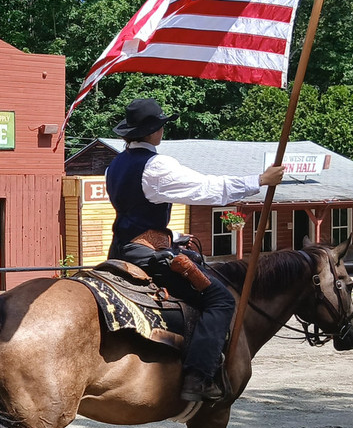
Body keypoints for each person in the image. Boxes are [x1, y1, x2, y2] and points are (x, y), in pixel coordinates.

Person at [105, 98, 284, 404]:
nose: (162, 131)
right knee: (220, 299)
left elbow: (133, 214)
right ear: (153, 132)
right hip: (145, 255)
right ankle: (196, 377)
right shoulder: (155, 164)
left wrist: (171, 235)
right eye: (160, 126)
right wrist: (260, 181)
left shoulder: (115, 165)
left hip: (120, 250)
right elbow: (206, 188)